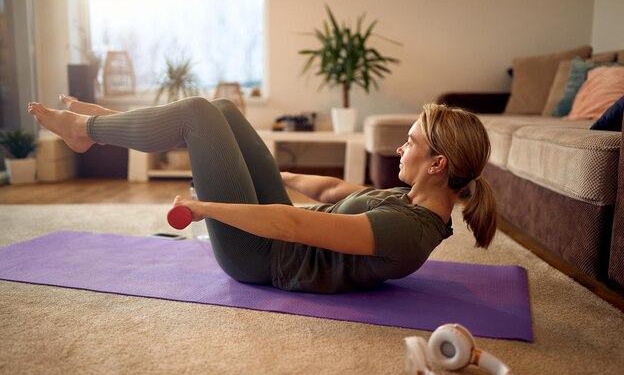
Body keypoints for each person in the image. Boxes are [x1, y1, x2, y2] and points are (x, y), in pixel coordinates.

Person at [27, 95, 496, 293]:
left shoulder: (406, 231)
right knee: (222, 112)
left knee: (197, 114)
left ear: (439, 165)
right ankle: (105, 126)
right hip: (278, 236)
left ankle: (88, 131)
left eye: (410, 141)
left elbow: (291, 224)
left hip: (261, 257)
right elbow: (333, 189)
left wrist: (203, 208)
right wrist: (274, 170)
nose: (400, 147)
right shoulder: (410, 200)